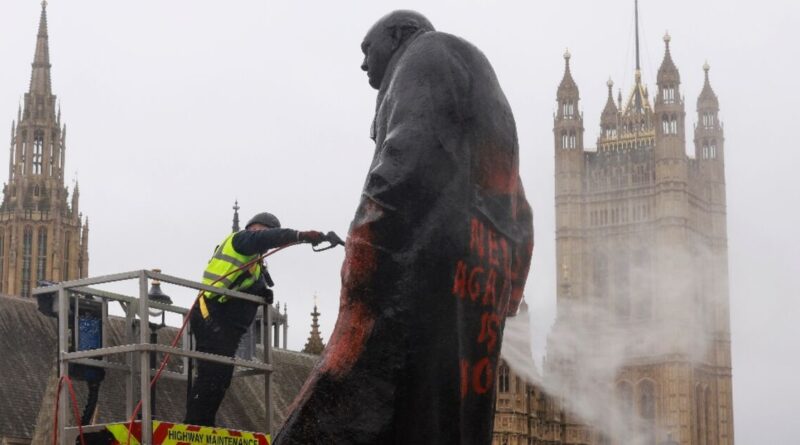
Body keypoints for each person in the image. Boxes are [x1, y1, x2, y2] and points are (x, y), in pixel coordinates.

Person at [276, 10, 533, 445]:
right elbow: (516, 201)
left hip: (419, 266)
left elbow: (408, 156)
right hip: (481, 278)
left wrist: (364, 240)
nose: (363, 64)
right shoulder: (484, 84)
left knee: (327, 417)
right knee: (450, 416)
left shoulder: (425, 54)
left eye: (367, 49)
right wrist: (511, 284)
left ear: (398, 35)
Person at [184, 212, 324, 427]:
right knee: (212, 374)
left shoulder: (254, 262)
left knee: (221, 377)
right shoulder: (241, 240)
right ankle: (194, 426)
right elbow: (264, 239)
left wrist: (262, 293)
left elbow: (247, 283)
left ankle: (203, 424)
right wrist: (301, 235)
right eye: (267, 234)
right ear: (256, 228)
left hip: (225, 323)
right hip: (211, 315)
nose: (267, 245)